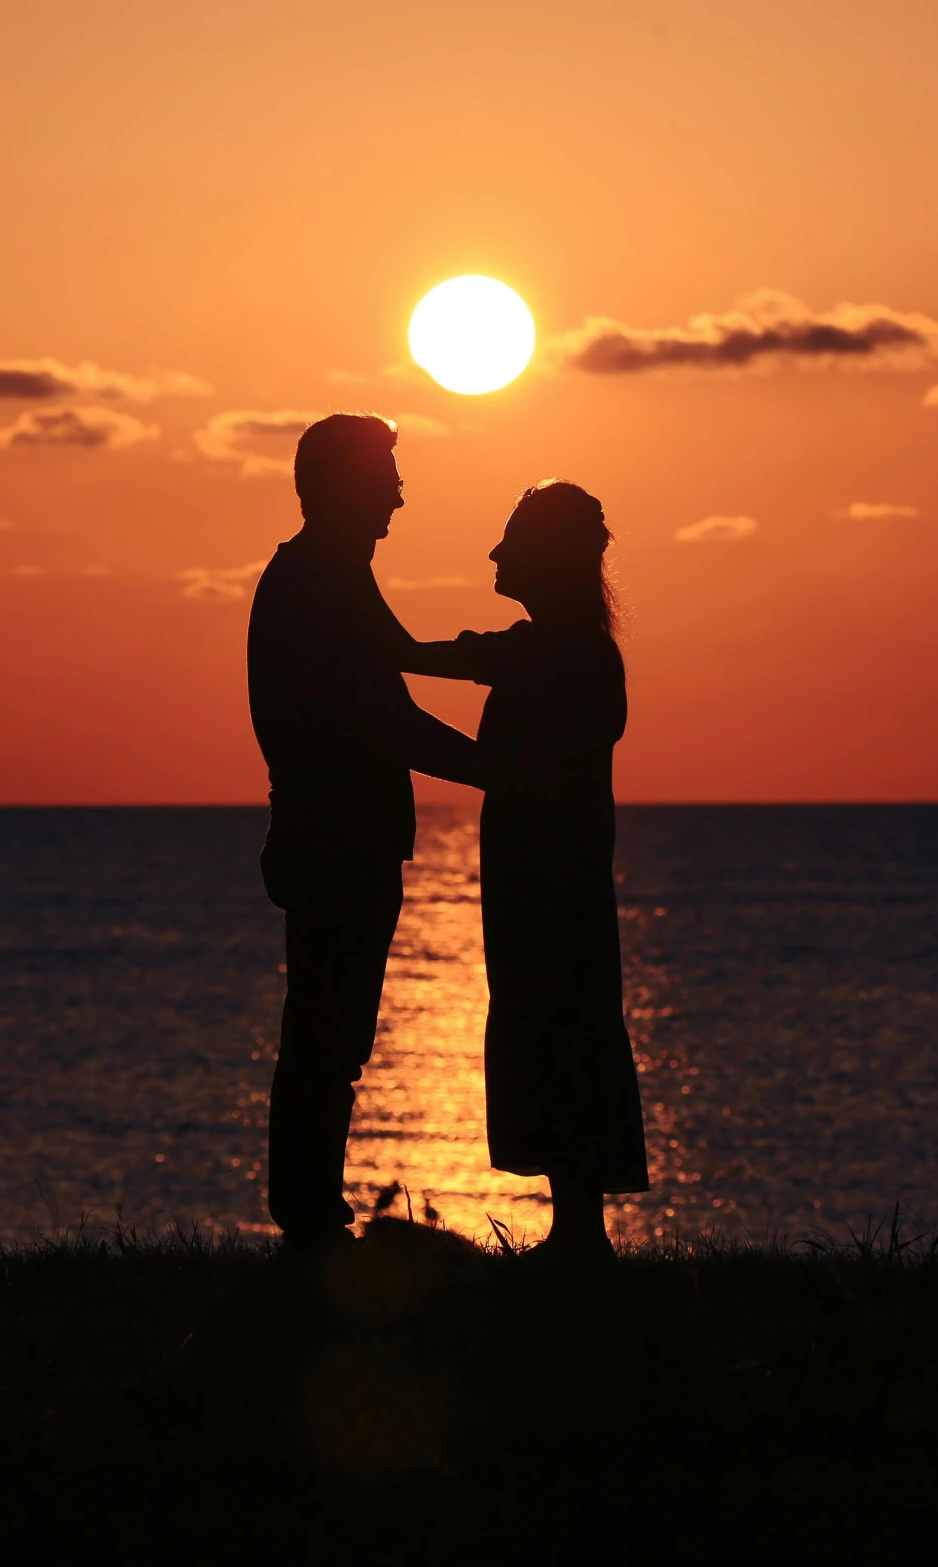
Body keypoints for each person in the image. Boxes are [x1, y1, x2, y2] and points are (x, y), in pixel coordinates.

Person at [247, 413, 486, 1251]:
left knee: (329, 1029)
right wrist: (506, 768)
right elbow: (390, 717)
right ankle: (308, 1218)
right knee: (325, 1029)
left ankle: (309, 1213)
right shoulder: (317, 579)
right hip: (335, 834)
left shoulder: (333, 574)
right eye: (383, 476)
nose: (398, 495)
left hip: (339, 830)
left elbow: (400, 667)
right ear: (344, 485)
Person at [401, 481, 647, 1262]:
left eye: (511, 541)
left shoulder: (561, 650)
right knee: (556, 1026)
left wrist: (370, 650)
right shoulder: (565, 648)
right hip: (543, 873)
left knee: (558, 1026)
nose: (495, 554)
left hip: (551, 877)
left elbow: (463, 658)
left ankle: (580, 1232)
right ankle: (576, 1225)